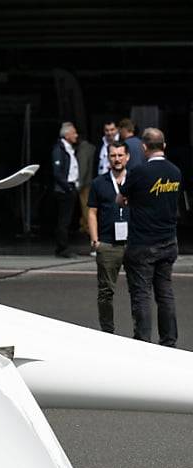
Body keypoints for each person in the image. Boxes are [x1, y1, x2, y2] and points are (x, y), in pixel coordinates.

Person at [117, 128, 181, 347]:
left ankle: (143, 342)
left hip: (143, 243)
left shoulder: (139, 172)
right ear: (164, 146)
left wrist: (131, 200)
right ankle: (169, 340)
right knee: (165, 293)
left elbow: (120, 198)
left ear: (144, 147)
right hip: (169, 240)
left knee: (141, 294)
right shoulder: (175, 172)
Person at [87, 141, 130, 333]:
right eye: (113, 155)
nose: (117, 159)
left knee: (139, 291)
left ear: (127, 157)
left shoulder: (135, 181)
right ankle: (107, 332)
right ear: (108, 158)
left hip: (134, 243)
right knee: (105, 292)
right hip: (107, 243)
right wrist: (95, 239)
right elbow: (92, 212)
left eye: (120, 155)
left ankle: (141, 334)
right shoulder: (98, 183)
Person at [52, 122, 79, 257]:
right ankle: (62, 248)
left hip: (70, 187)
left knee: (67, 220)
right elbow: (57, 172)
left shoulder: (69, 148)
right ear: (67, 135)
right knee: (64, 220)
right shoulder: (59, 149)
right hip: (64, 189)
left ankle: (63, 246)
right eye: (74, 133)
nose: (76, 135)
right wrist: (68, 187)